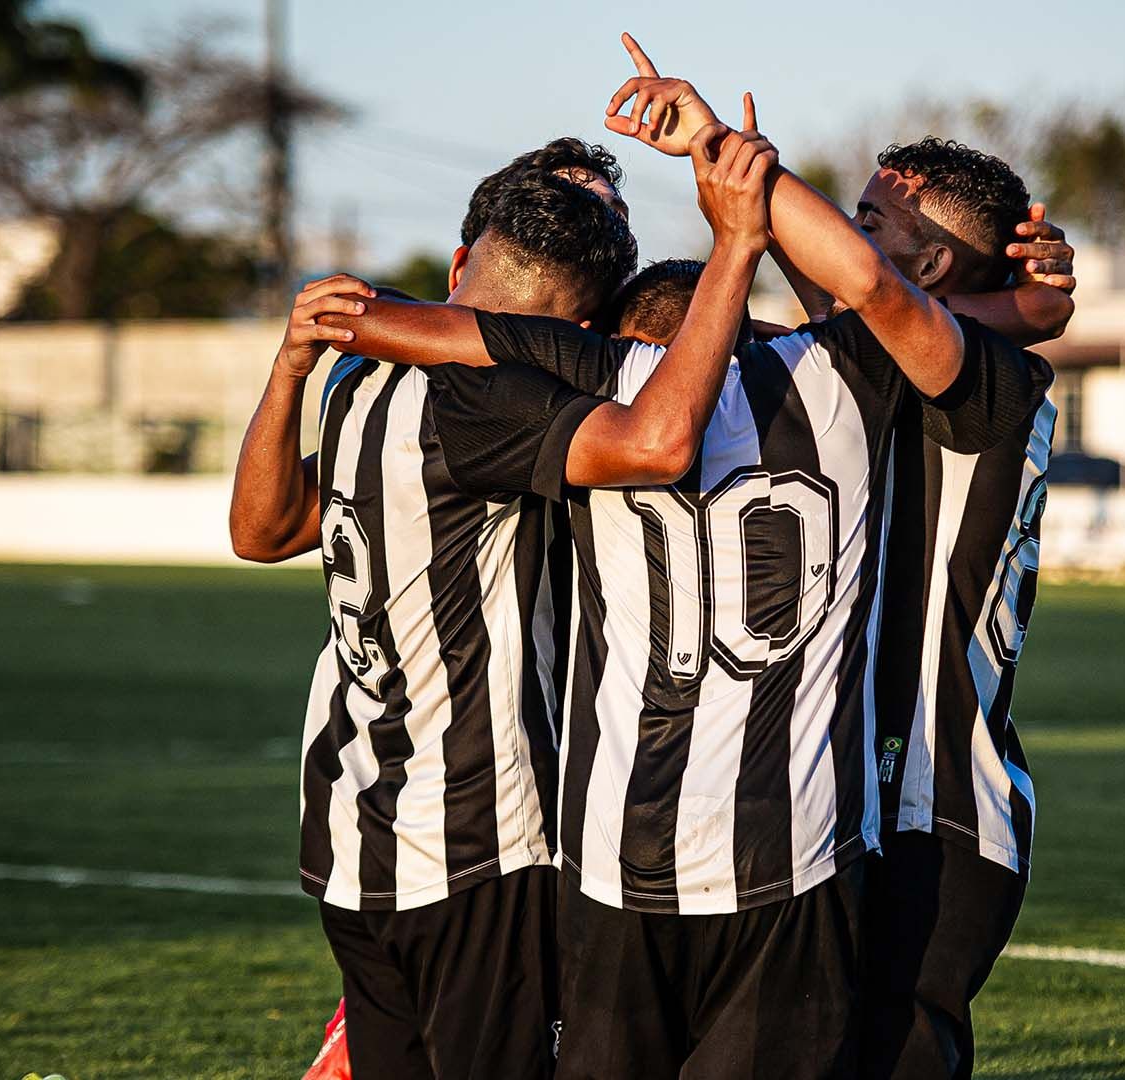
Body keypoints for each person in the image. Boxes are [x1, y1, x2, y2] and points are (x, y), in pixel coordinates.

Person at [317, 63, 1057, 1076]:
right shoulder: (868, 377)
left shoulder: (626, 384)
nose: (840, 239)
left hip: (869, 809)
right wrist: (744, 207)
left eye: (865, 221)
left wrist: (333, 323)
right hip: (817, 838)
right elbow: (877, 299)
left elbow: (865, 295)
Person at [232, 131, 773, 1079]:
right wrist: (736, 246)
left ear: (458, 264)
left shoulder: (361, 375)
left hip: (352, 820)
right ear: (588, 319)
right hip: (478, 834)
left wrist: (288, 369)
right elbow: (658, 443)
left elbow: (263, 530)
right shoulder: (493, 397)